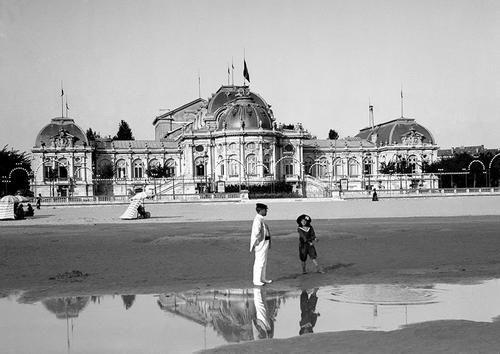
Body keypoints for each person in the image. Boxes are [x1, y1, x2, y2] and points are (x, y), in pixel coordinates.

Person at [250, 203, 272, 286]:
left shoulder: (261, 219)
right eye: (265, 210)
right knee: (259, 261)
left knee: (264, 261)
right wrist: (258, 241)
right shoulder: (258, 219)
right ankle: (256, 280)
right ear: (261, 210)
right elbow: (257, 232)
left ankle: (262, 278)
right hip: (261, 243)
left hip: (265, 242)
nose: (266, 211)